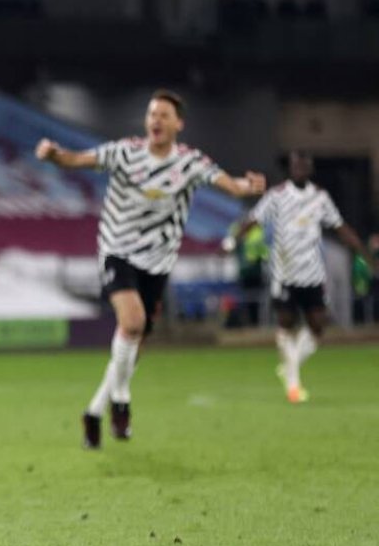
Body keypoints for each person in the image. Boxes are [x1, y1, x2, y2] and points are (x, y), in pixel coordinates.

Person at [36, 89, 266, 449]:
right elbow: (77, 159)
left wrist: (244, 186)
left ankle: (94, 411)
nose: (156, 120)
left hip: (157, 263)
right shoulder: (125, 152)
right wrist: (53, 156)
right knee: (132, 323)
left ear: (179, 124)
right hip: (117, 252)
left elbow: (229, 185)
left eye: (163, 115)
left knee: (134, 344)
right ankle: (121, 399)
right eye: (152, 114)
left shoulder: (189, 162)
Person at [235, 151, 374, 403]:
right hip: (285, 274)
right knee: (286, 325)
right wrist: (232, 239)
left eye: (305, 164)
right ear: (290, 168)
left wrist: (363, 252)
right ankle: (293, 385)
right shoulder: (277, 195)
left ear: (310, 169)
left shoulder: (319, 198)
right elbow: (254, 219)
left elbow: (339, 226)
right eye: (296, 164)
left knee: (319, 325)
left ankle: (290, 366)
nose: (300, 168)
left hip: (312, 273)